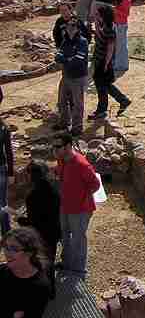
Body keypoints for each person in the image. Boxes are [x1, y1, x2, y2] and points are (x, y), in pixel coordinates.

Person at [53, 133, 99, 279]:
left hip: (79, 209)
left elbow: (95, 184)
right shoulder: (61, 159)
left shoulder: (81, 164)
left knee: (78, 238)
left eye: (58, 146)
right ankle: (67, 263)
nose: (54, 150)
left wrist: (82, 199)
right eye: (53, 146)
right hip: (65, 206)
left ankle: (79, 270)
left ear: (68, 146)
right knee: (65, 235)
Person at [0, 227, 54, 316]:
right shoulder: (2, 271)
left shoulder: (39, 286)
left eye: (14, 248)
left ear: (29, 252)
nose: (7, 253)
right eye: (5, 247)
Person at [90, 5, 130, 121]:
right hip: (100, 60)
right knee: (105, 85)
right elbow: (99, 37)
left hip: (103, 61)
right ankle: (123, 100)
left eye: (98, 15)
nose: (96, 16)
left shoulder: (110, 29)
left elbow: (110, 48)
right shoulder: (103, 26)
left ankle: (102, 110)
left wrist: (106, 64)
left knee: (101, 85)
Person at [17, 161, 61, 264]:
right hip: (55, 231)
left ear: (31, 175)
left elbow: (34, 222)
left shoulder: (33, 196)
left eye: (27, 173)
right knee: (50, 261)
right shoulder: (54, 187)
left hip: (40, 235)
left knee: (40, 264)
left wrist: (19, 219)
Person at [55, 17, 89, 136]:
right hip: (66, 76)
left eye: (72, 26)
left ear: (77, 29)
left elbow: (78, 60)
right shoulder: (65, 41)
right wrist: (67, 59)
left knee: (77, 104)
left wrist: (65, 60)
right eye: (68, 26)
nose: (69, 28)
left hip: (78, 77)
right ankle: (64, 122)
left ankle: (77, 128)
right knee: (62, 101)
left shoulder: (82, 42)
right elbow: (58, 56)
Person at [111, 0, 132, 77]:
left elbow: (125, 14)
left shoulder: (126, 0)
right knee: (119, 45)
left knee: (121, 46)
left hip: (121, 24)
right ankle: (119, 63)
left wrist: (115, 10)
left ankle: (121, 65)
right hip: (118, 24)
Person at [0, 88, 12, 236]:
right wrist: (11, 173)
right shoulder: (3, 126)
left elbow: (8, 150)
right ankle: (7, 235)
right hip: (2, 168)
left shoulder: (3, 127)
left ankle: (7, 235)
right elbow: (8, 151)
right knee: (2, 204)